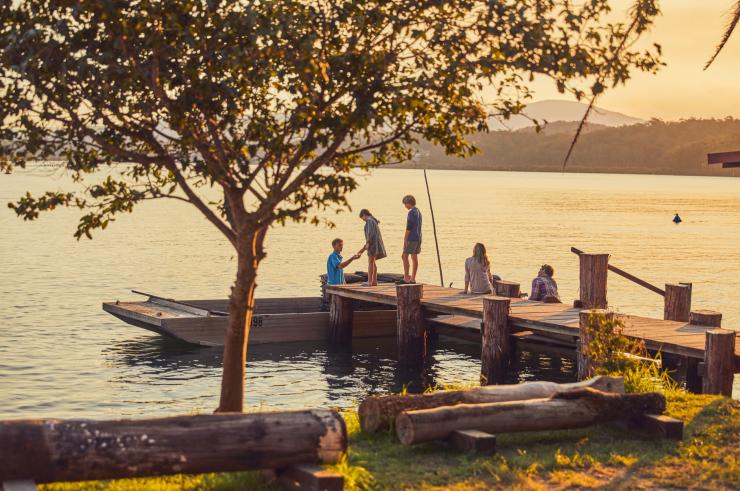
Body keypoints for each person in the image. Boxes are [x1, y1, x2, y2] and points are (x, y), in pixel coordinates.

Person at [357, 209, 386, 286]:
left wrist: (368, 243)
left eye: (362, 218)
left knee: (370, 262)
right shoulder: (373, 220)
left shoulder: (369, 221)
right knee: (373, 262)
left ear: (364, 214)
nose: (363, 220)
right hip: (375, 244)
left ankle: (369, 282)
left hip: (372, 244)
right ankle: (374, 281)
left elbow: (371, 233)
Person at [401, 194, 422, 283]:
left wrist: (405, 239)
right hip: (418, 237)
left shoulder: (411, 212)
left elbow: (409, 226)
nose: (405, 206)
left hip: (412, 238)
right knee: (414, 257)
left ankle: (406, 278)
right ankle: (413, 278)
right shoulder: (418, 211)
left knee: (404, 256)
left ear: (409, 203)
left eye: (405, 204)